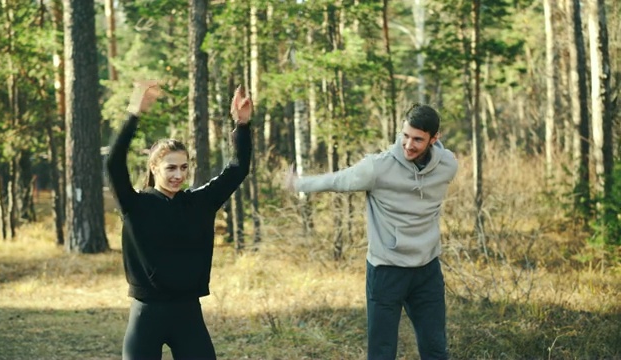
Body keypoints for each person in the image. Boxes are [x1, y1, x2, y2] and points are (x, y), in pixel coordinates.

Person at [286, 104, 458, 360]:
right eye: (406, 135)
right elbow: (337, 181)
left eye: (418, 139)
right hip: (386, 271)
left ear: (435, 138)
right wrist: (299, 183)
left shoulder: (448, 165)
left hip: (427, 271)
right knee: (382, 352)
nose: (409, 144)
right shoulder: (377, 168)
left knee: (435, 348)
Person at [106, 80, 252, 360]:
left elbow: (238, 168)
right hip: (146, 313)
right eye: (170, 167)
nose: (178, 175)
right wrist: (133, 114)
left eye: (184, 167)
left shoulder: (199, 202)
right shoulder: (135, 204)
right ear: (154, 167)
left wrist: (242, 126)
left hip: (188, 314)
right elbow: (113, 162)